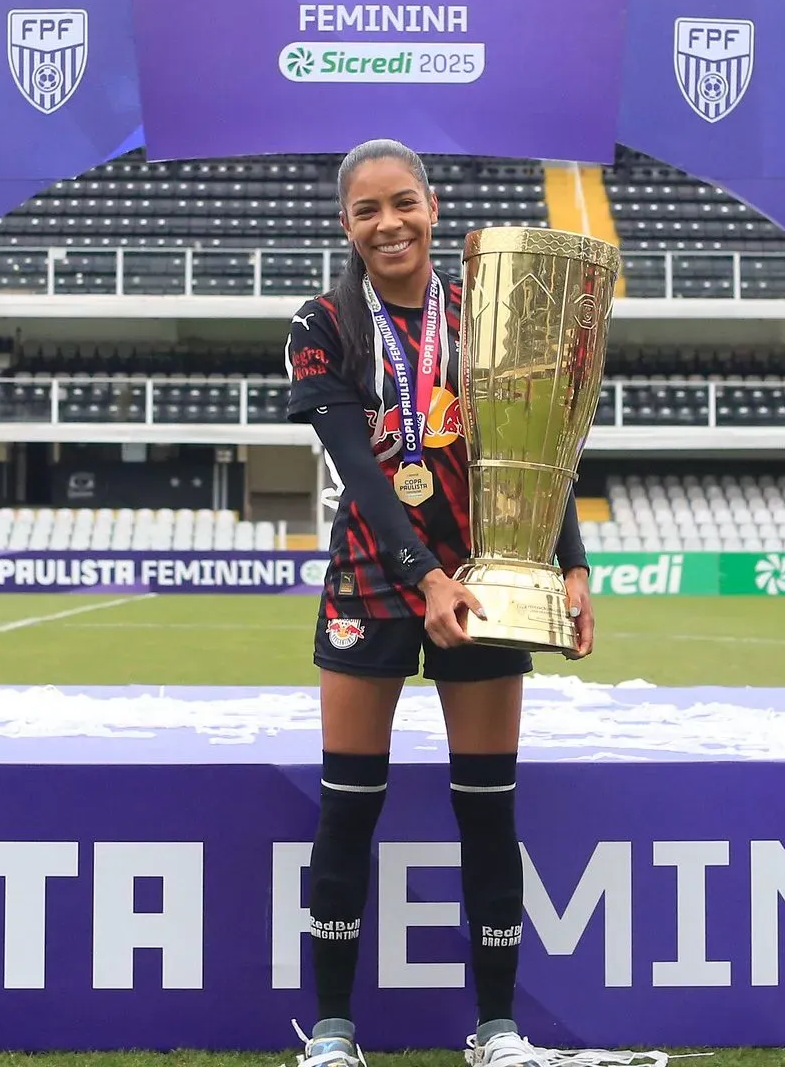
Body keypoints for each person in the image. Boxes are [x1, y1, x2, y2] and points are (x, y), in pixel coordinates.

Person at [283, 138, 594, 1067]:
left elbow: (537, 450)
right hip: (375, 581)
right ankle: (334, 1030)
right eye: (369, 211)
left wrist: (569, 565)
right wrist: (425, 578)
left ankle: (497, 1028)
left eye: (404, 203)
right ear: (347, 225)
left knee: (487, 809)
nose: (390, 224)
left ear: (432, 207)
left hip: (490, 578)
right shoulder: (323, 323)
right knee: (349, 804)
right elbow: (363, 480)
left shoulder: (481, 314)